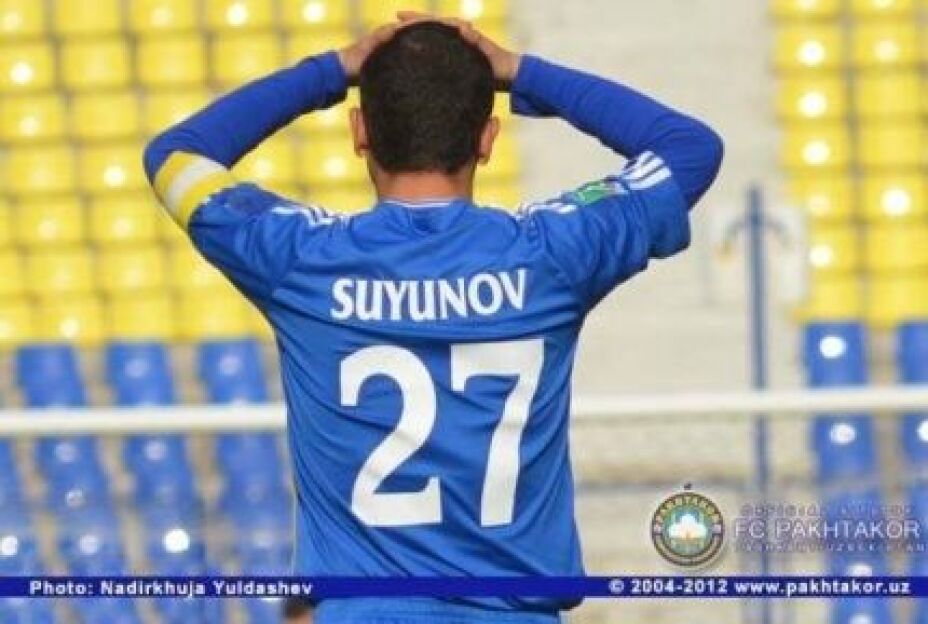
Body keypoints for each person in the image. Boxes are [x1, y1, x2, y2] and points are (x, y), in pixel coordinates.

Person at [144, 13, 723, 624]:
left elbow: (175, 157)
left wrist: (332, 70)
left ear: (360, 132)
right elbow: (690, 149)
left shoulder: (302, 259)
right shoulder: (552, 253)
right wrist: (519, 71)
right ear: (487, 139)